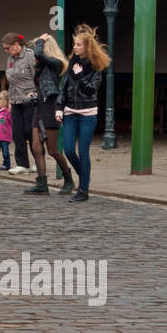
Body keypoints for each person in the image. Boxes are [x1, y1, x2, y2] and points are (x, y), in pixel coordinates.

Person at [57, 24, 110, 203]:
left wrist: (80, 76)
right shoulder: (72, 64)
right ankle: (84, 177)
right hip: (70, 111)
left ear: (86, 47)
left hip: (88, 113)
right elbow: (63, 88)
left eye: (78, 44)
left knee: (83, 151)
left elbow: (90, 91)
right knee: (69, 150)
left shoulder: (96, 68)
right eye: (75, 44)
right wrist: (59, 108)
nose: (75, 47)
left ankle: (83, 190)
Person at [24, 32, 72, 196]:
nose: (37, 54)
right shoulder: (43, 66)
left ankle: (68, 179)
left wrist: (41, 41)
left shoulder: (57, 63)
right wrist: (33, 95)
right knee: (36, 146)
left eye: (40, 46)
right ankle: (41, 182)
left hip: (51, 107)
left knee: (53, 150)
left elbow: (38, 54)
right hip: (40, 106)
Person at [2, 33, 37, 174]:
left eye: (7, 48)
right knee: (17, 132)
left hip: (29, 99)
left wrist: (36, 93)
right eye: (4, 49)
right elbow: (11, 81)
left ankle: (38, 160)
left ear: (17, 44)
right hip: (15, 99)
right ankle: (22, 164)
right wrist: (10, 100)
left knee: (30, 131)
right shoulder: (10, 59)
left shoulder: (30, 56)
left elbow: (38, 76)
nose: (6, 51)